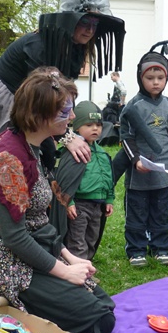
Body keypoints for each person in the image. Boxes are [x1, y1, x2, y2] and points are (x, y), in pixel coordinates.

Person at [0, 0, 126, 235]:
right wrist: (67, 137)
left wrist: (68, 129)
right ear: (69, 21)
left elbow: (63, 94)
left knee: (42, 153)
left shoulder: (75, 47)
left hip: (33, 97)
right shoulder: (41, 46)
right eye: (83, 22)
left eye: (94, 24)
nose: (89, 30)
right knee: (7, 156)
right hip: (2, 97)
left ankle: (37, 221)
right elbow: (44, 98)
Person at [0, 70, 115, 333]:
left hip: (37, 251)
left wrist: (71, 257)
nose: (72, 117)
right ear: (39, 115)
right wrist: (65, 271)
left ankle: (33, 309)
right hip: (8, 265)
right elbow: (14, 238)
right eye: (65, 111)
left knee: (104, 305)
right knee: (100, 322)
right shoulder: (9, 158)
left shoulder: (37, 145)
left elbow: (37, 221)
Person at [119, 41, 168, 267]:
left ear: (167, 79)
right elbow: (126, 138)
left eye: (160, 78)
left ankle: (160, 247)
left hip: (163, 173)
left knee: (160, 212)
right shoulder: (133, 107)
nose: (155, 82)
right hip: (139, 175)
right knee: (137, 212)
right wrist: (136, 159)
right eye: (150, 78)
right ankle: (136, 249)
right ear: (141, 78)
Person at [52, 101, 115, 260]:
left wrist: (109, 199)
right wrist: (69, 202)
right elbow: (64, 180)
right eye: (89, 124)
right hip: (80, 205)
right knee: (77, 239)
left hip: (97, 205)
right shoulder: (70, 152)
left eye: (98, 125)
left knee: (92, 237)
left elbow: (108, 178)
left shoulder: (102, 153)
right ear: (77, 127)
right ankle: (77, 268)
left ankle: (87, 265)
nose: (95, 128)